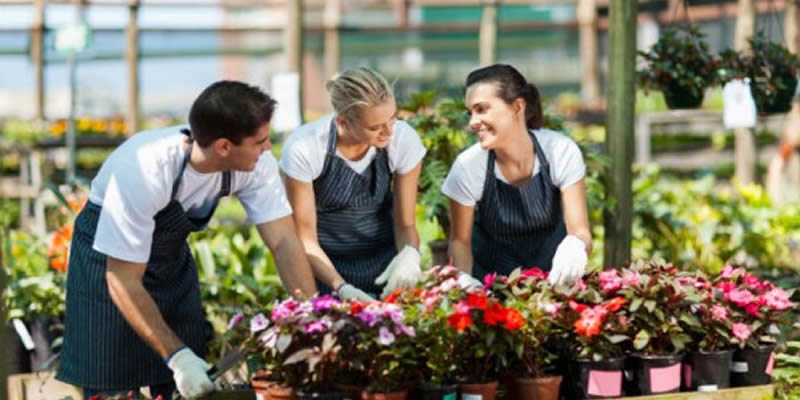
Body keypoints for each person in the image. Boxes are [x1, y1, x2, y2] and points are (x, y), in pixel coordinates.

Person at [56, 81, 317, 399]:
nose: (267, 148)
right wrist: (178, 359)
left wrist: (312, 317)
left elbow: (283, 241)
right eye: (260, 141)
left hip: (169, 260)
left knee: (189, 384)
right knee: (111, 381)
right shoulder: (144, 170)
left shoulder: (255, 165)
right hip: (109, 263)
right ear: (224, 147)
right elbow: (122, 279)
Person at [280, 67, 427, 301]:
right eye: (375, 127)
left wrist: (409, 255)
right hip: (326, 269)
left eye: (392, 118)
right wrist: (341, 288)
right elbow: (305, 238)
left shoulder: (402, 139)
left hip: (386, 268)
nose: (388, 132)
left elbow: (406, 224)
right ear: (343, 122)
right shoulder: (306, 148)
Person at [442, 64, 591, 286]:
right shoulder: (468, 167)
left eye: (482, 109)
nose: (472, 122)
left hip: (556, 285)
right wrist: (464, 283)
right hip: (490, 289)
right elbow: (459, 243)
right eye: (470, 113)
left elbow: (581, 231)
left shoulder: (560, 152)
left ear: (518, 107)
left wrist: (576, 245)